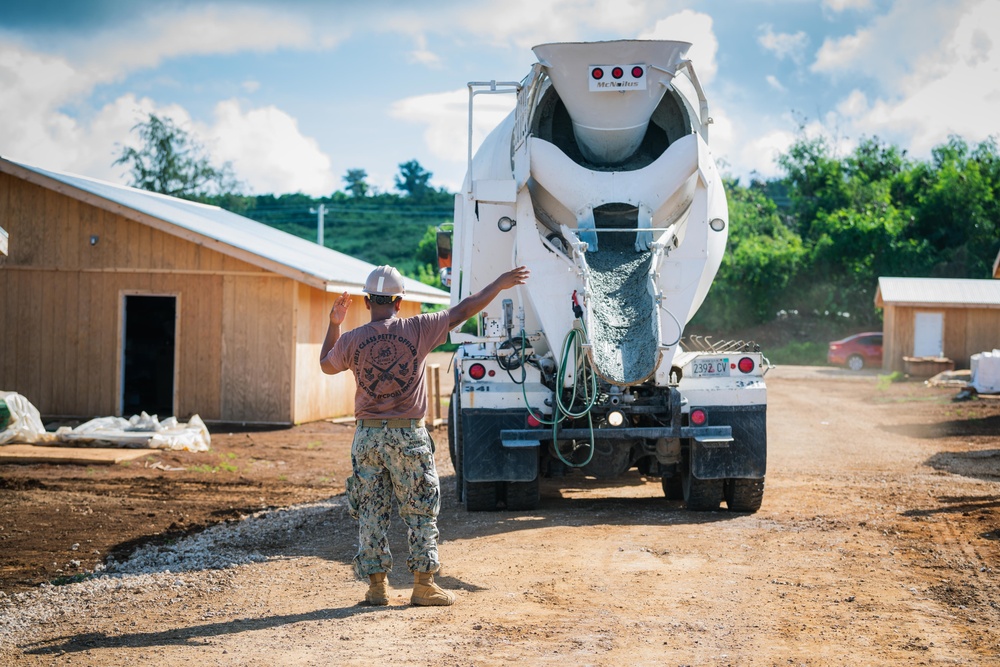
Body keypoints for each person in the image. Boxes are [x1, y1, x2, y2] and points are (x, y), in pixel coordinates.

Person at [320, 263, 530, 606]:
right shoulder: (419, 328)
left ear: (367, 301)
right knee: (420, 508)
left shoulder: (351, 339)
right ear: (399, 302)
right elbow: (465, 309)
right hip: (408, 436)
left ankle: (376, 588)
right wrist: (500, 283)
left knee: (370, 511)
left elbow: (326, 364)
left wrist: (334, 324)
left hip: (367, 437)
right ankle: (423, 586)